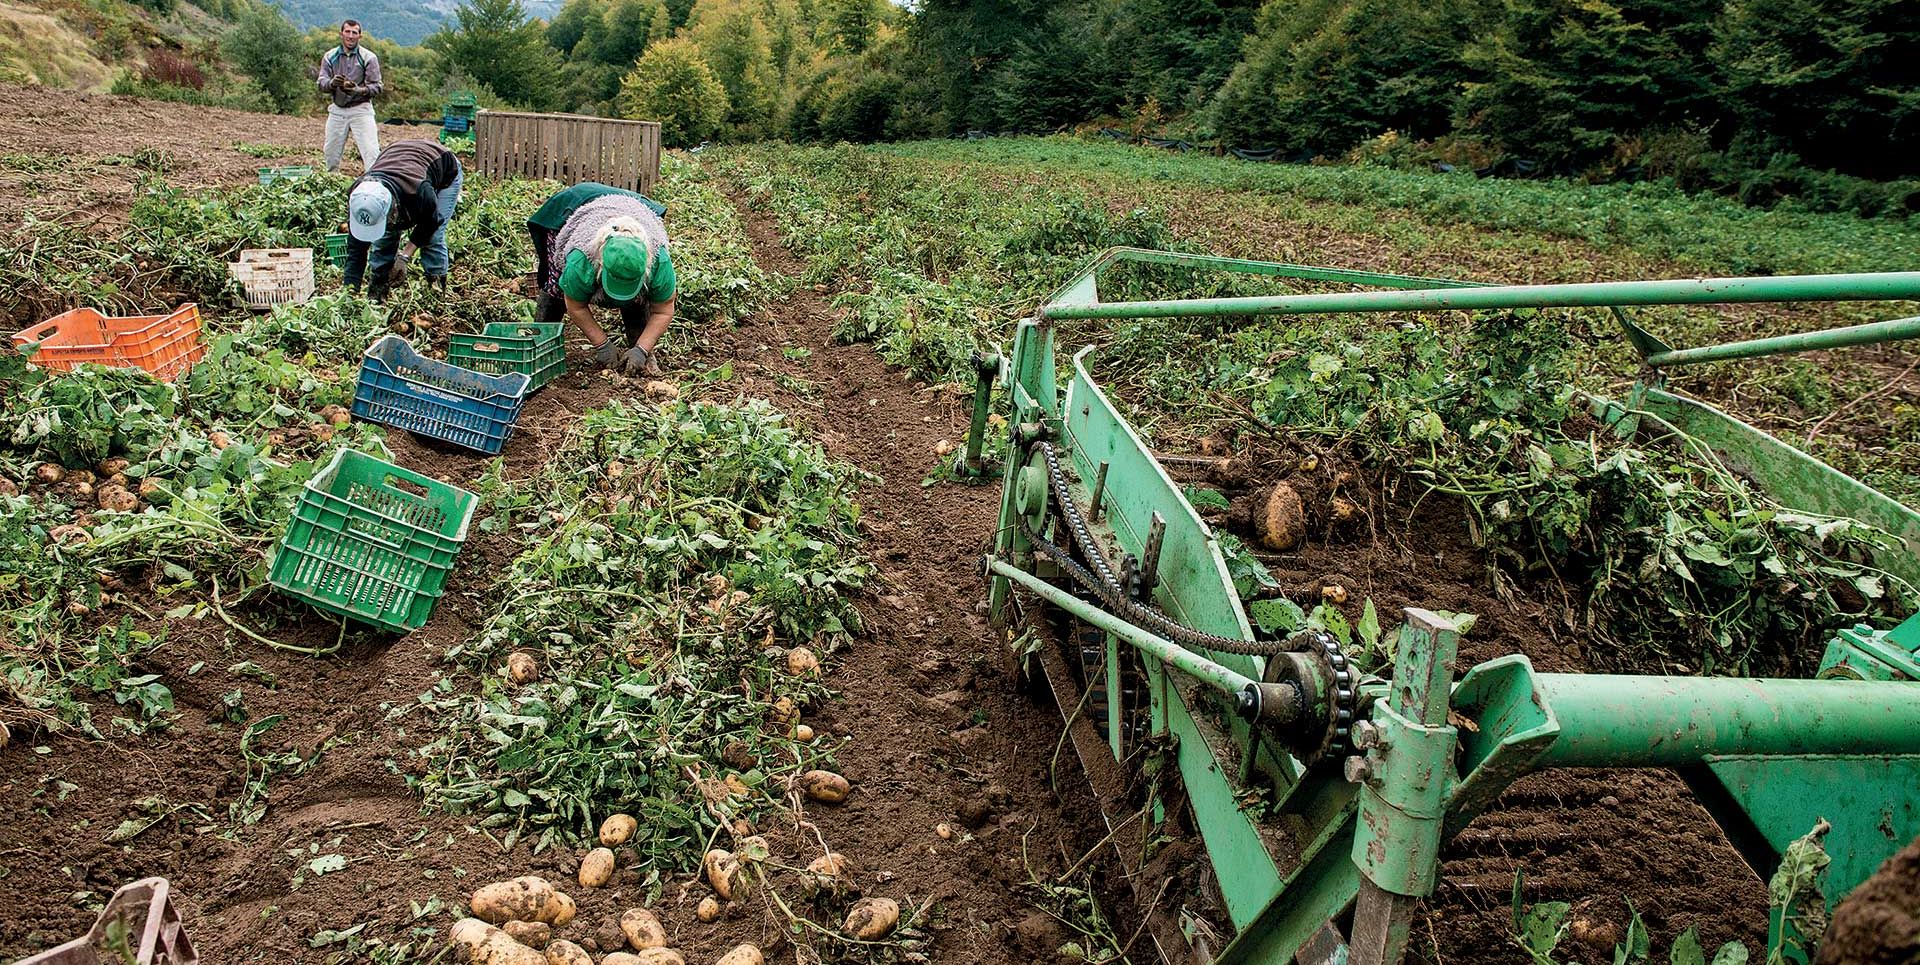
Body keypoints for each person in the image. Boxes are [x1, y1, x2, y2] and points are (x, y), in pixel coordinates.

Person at [525, 182, 676, 375]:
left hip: (631, 206)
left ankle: (639, 353)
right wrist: (602, 344)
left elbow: (663, 310)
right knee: (556, 288)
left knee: (638, 299)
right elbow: (576, 304)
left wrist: (642, 349)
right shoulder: (581, 259)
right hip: (573, 209)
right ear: (601, 266)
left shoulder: (659, 261)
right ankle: (541, 347)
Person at [343, 139, 462, 302]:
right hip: (397, 157)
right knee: (384, 238)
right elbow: (356, 250)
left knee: (433, 239)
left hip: (443, 166)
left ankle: (435, 292)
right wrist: (349, 294)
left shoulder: (419, 191)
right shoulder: (359, 198)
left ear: (393, 210)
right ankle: (378, 292)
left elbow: (431, 223)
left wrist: (404, 257)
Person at [316, 20, 382, 173]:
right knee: (330, 153)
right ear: (341, 34)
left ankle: (372, 184)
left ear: (360, 36)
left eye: (354, 33)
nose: (350, 36)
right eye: (347, 32)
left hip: (361, 109)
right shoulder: (330, 56)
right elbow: (321, 82)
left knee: (371, 151)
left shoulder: (368, 57)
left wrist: (359, 90)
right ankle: (331, 181)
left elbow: (377, 86)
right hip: (338, 109)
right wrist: (332, 84)